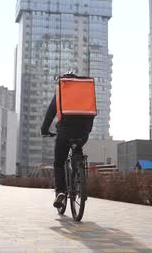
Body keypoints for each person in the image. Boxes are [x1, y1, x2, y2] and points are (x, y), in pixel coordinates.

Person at [41, 72, 94, 209]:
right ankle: (79, 176)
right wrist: (86, 129)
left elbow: (50, 114)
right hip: (83, 133)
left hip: (65, 133)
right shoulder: (86, 91)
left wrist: (44, 130)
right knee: (78, 150)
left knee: (59, 163)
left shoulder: (61, 91)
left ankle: (61, 192)